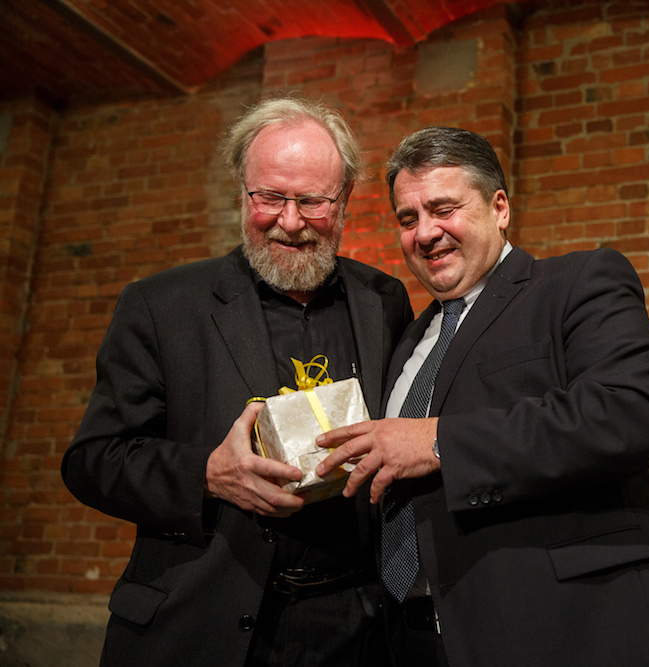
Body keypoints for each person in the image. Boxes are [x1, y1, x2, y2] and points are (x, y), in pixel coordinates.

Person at [316, 127, 649, 666]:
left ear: (499, 207)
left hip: (570, 630)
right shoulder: (409, 339)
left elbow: (628, 415)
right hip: (421, 637)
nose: (425, 233)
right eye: (408, 219)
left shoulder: (578, 282)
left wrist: (436, 442)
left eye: (443, 208)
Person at [62, 97, 413, 667]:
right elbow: (93, 459)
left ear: (344, 200)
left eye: (313, 201)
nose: (291, 221)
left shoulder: (384, 300)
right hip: (200, 624)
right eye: (269, 197)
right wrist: (209, 476)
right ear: (242, 191)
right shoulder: (161, 304)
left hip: (354, 626)